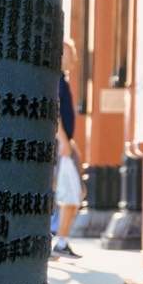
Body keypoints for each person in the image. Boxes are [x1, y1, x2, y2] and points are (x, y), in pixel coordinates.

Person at [52, 38, 83, 260]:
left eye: (70, 53)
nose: (70, 57)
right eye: (66, 53)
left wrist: (70, 142)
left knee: (72, 194)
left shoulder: (62, 80)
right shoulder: (55, 81)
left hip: (66, 143)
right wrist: (62, 139)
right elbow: (54, 112)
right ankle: (59, 242)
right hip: (60, 143)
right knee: (70, 195)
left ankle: (60, 241)